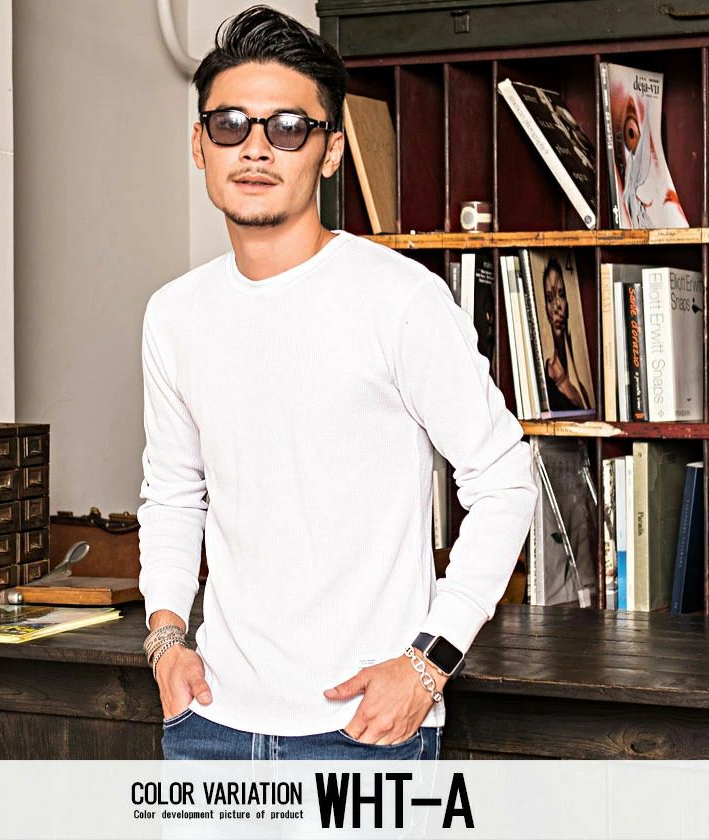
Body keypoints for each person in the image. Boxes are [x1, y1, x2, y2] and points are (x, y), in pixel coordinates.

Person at [138, 4, 538, 761]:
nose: (257, 148)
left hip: (365, 729)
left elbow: (505, 481)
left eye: (290, 127)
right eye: (230, 124)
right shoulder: (175, 314)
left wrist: (429, 663)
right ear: (199, 144)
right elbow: (173, 493)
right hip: (210, 724)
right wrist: (166, 637)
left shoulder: (401, 299)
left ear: (330, 152)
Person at [541, 258, 592, 412]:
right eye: (550, 298)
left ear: (568, 305)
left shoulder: (579, 383)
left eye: (561, 295)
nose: (556, 305)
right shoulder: (548, 374)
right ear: (546, 310)